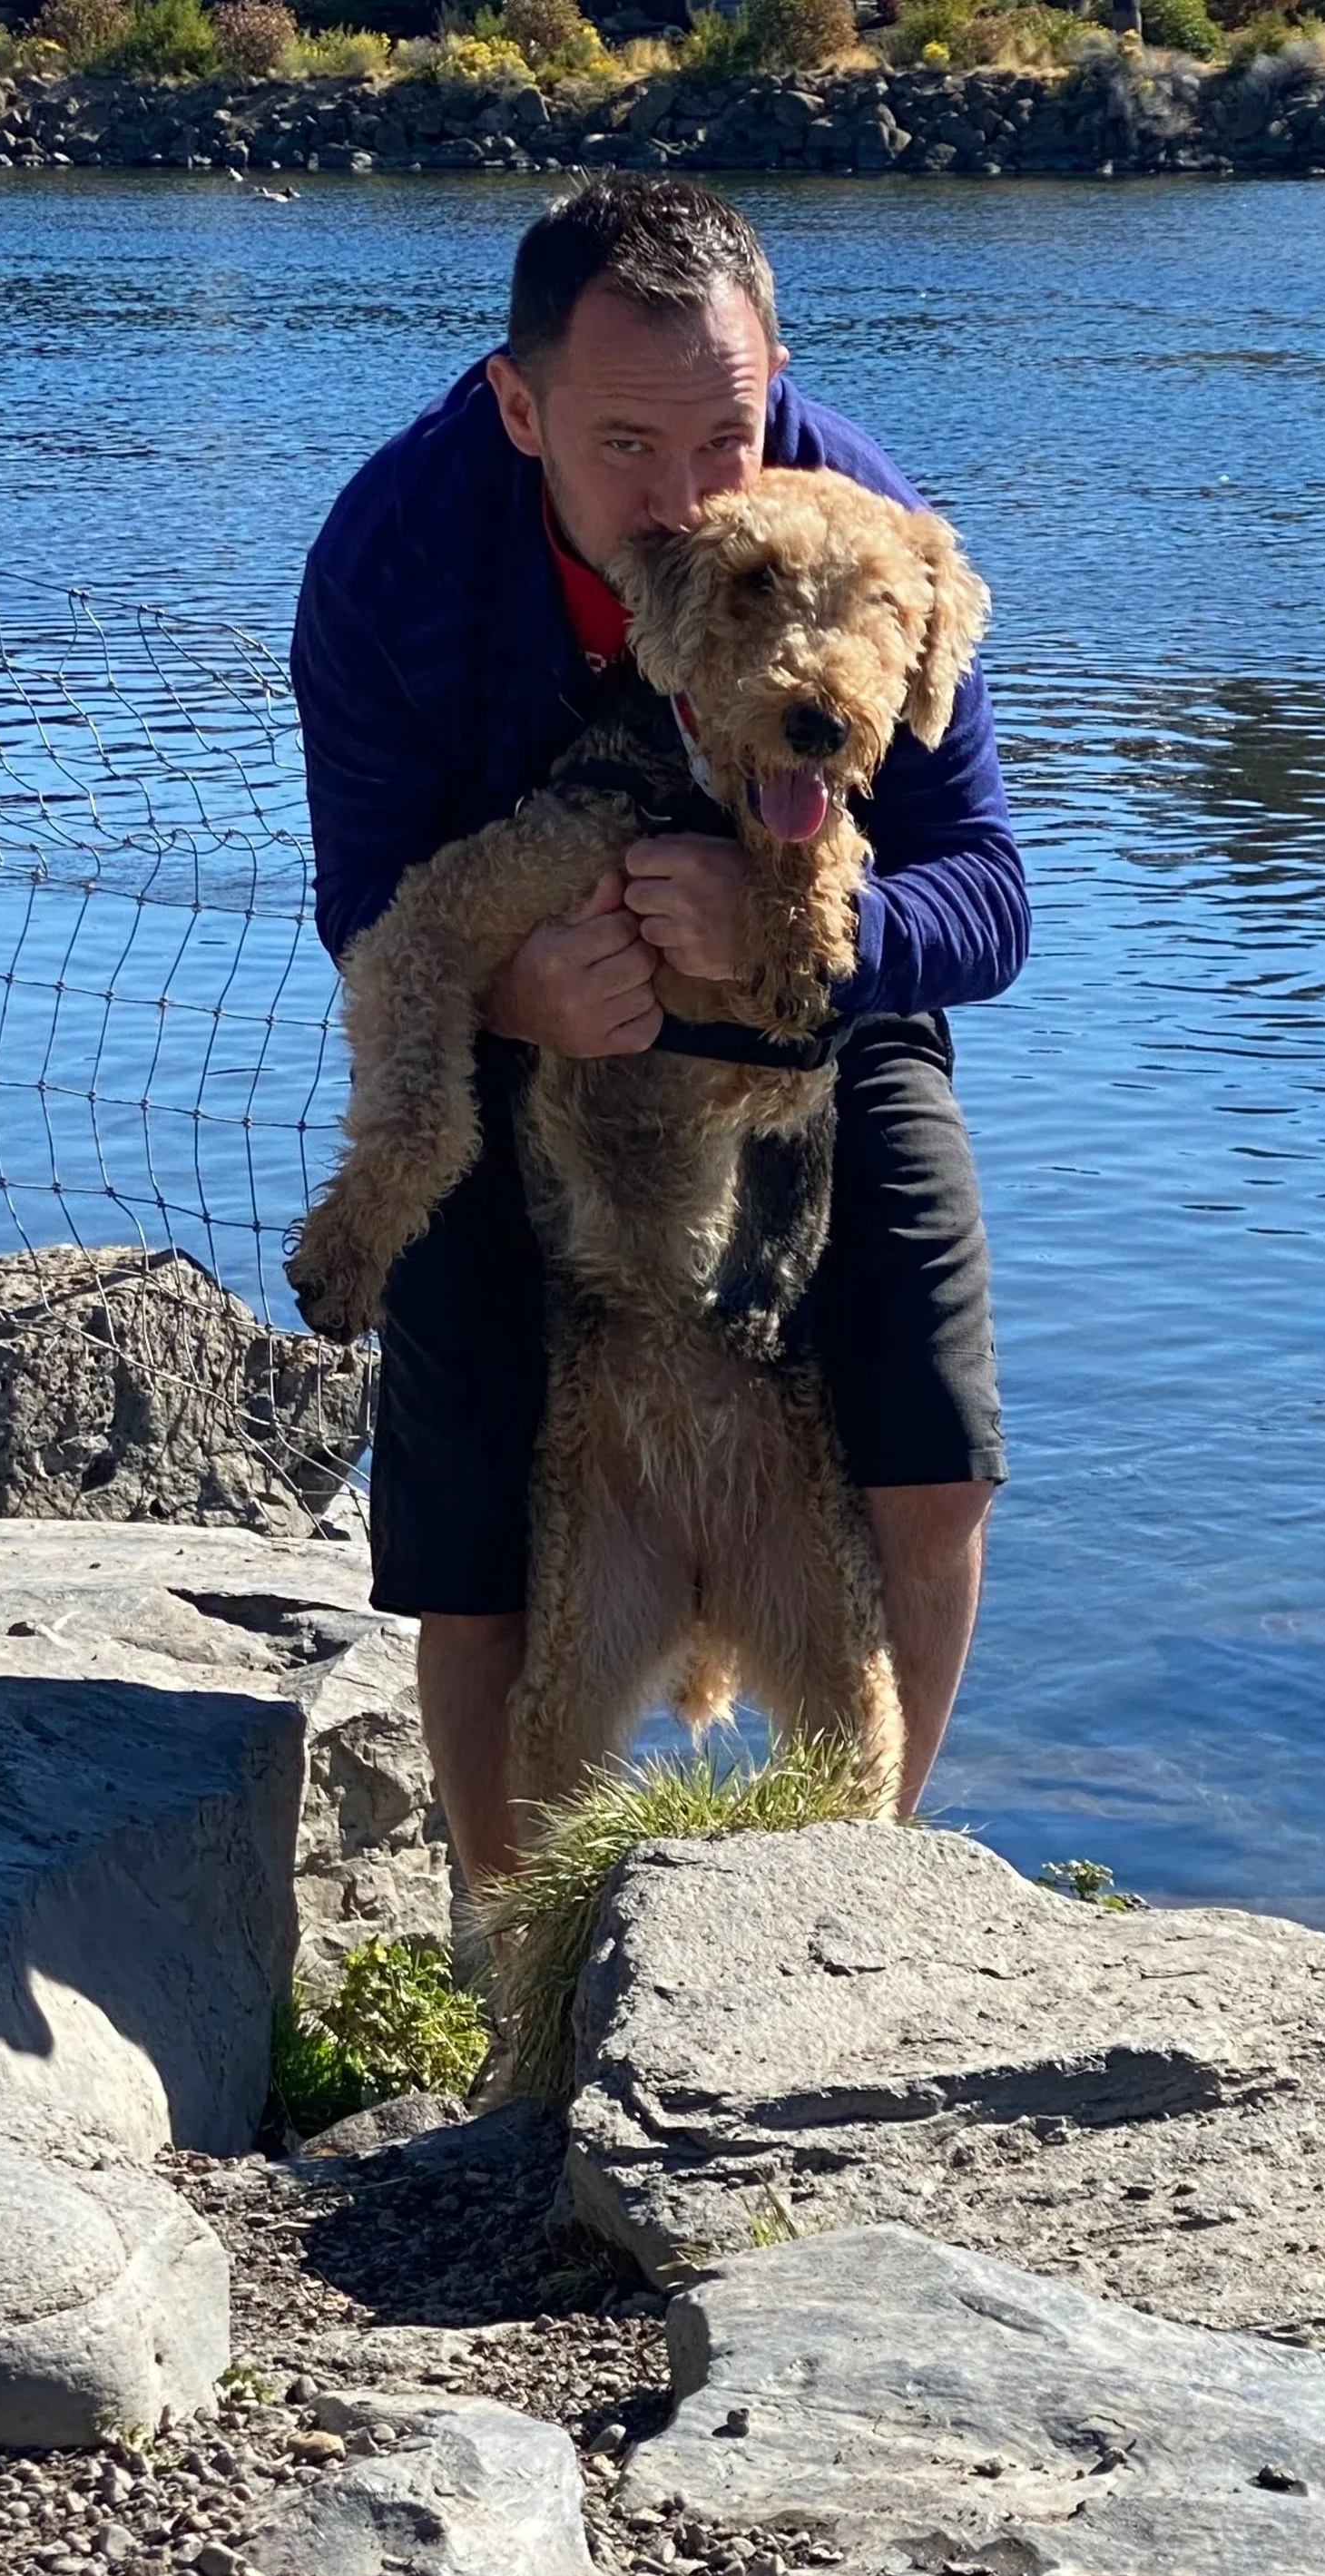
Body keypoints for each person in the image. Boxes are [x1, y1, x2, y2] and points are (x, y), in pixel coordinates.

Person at [291, 176, 1028, 1894]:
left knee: (936, 1450)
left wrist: (827, 957)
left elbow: (987, 895)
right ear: (519, 402)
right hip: (521, 1023)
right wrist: (521, 990)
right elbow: (368, 909)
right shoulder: (395, 555)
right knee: (474, 1543)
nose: (692, 498)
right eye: (628, 444)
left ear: (776, 378)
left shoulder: (864, 540)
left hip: (825, 1007)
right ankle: (508, 1960)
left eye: (729, 431)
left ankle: (868, 1896)